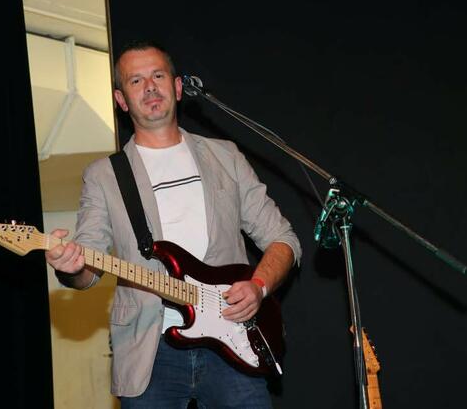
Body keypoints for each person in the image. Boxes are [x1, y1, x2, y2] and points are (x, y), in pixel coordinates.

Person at [45, 40, 302, 408]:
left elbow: (283, 238)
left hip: (234, 340)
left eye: (158, 76)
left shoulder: (225, 155)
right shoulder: (104, 176)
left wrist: (259, 287)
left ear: (178, 87)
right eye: (135, 81)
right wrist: (70, 267)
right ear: (121, 100)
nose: (149, 87)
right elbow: (88, 269)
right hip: (150, 350)